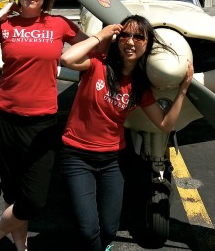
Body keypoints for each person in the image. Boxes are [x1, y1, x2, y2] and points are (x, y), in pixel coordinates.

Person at [0, 0, 119, 251]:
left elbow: (100, 49)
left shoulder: (59, 24)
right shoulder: (7, 26)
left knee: (34, 199)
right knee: (14, 193)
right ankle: (22, 248)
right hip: (2, 119)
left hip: (41, 123)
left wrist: (106, 5)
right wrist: (0, 14)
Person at [59, 15, 194, 251]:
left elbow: (164, 124)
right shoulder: (96, 64)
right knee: (88, 229)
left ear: (147, 44)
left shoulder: (141, 88)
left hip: (112, 160)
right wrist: (101, 35)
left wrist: (183, 89)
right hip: (77, 156)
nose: (130, 41)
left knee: (110, 229)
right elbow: (67, 58)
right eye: (125, 35)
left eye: (139, 37)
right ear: (117, 39)